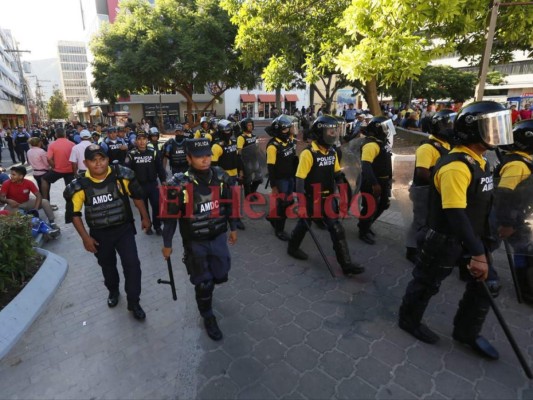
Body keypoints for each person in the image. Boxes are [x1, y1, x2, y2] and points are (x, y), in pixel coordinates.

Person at [398, 101, 513, 360]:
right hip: (446, 239)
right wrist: (477, 254)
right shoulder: (456, 166)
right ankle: (408, 320)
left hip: (473, 238)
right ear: (474, 131)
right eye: (490, 128)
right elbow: (455, 213)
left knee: (488, 284)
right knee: (427, 283)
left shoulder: (480, 160)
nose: (496, 133)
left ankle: (466, 332)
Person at [161, 138, 238, 340]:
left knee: (221, 274)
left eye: (207, 155)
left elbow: (230, 203)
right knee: (204, 284)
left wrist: (234, 227)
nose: (205, 160)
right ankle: (208, 315)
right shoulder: (179, 184)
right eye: (199, 156)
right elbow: (169, 218)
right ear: (188, 158)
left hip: (218, 236)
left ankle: (209, 287)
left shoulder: (220, 176)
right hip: (195, 242)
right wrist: (167, 244)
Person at [63, 144, 151, 320]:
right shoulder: (80, 186)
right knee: (108, 267)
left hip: (123, 229)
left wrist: (145, 217)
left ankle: (134, 302)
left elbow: (137, 196)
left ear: (107, 159)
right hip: (99, 234)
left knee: (132, 265)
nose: (98, 164)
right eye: (93, 160)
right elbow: (74, 214)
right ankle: (113, 291)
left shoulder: (121, 175)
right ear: (86, 163)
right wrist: (85, 238)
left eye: (102, 159)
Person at [287, 115, 364, 276]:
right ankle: (292, 248)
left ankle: (346, 264)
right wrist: (300, 205)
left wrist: (344, 192)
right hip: (311, 199)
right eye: (330, 130)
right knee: (304, 225)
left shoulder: (332, 152)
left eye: (334, 130)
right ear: (320, 132)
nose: (333, 134)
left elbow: (337, 174)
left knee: (337, 229)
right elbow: (299, 181)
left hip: (328, 199)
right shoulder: (308, 154)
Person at [405, 110, 454, 262]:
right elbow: (422, 172)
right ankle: (412, 249)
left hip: (435, 190)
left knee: (431, 221)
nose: (451, 127)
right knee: (420, 221)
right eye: (448, 124)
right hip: (423, 190)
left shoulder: (446, 145)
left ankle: (426, 246)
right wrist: (440, 183)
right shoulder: (427, 147)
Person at [493, 118, 533, 304]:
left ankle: (525, 287)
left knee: (523, 247)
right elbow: (504, 194)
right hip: (505, 216)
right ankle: (524, 291)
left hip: (515, 215)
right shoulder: (518, 164)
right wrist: (507, 224)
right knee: (489, 245)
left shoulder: (525, 161)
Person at [357, 116, 394, 245]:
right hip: (373, 182)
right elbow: (366, 165)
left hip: (383, 181)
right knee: (369, 207)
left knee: (384, 204)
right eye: (385, 127)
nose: (387, 130)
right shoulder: (371, 145)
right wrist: (374, 184)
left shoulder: (382, 142)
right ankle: (363, 230)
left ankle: (367, 224)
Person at [125, 131, 166, 235]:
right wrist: (129, 187)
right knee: (143, 208)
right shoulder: (131, 154)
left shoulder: (153, 152)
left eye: (144, 139)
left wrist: (163, 181)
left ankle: (157, 226)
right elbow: (127, 171)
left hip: (153, 184)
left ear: (147, 140)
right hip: (139, 186)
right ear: (136, 141)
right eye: (139, 139)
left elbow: (160, 168)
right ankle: (148, 226)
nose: (142, 141)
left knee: (157, 206)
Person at [265, 115, 297, 241]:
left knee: (287, 201)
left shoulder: (288, 141)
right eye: (285, 130)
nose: (288, 132)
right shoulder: (273, 146)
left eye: (288, 129)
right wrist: (273, 186)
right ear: (278, 130)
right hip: (280, 179)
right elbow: (270, 167)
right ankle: (279, 230)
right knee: (283, 204)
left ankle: (273, 217)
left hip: (290, 177)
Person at [0, 165, 58, 232]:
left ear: (21, 176)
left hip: (27, 202)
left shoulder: (28, 183)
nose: (11, 176)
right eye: (11, 174)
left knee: (45, 202)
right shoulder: (6, 184)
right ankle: (31, 227)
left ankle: (52, 222)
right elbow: (1, 198)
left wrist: (35, 209)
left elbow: (38, 195)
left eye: (13, 175)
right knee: (13, 213)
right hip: (14, 206)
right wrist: (7, 200)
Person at [211, 119, 245, 230]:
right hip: (222, 178)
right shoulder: (216, 147)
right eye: (226, 130)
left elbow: (238, 159)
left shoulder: (234, 143)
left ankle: (236, 219)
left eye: (230, 130)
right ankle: (222, 220)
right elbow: (213, 165)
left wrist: (241, 172)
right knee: (223, 200)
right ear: (221, 131)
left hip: (234, 175)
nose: (228, 132)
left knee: (235, 199)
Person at [41, 127, 75, 201]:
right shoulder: (72, 144)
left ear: (55, 135)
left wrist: (53, 166)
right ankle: (71, 202)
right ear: (65, 134)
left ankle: (45, 200)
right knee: (70, 187)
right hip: (70, 170)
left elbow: (49, 158)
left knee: (44, 179)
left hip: (58, 170)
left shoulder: (52, 145)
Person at [237, 118, 263, 199]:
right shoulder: (241, 137)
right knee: (247, 181)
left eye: (251, 125)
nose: (250, 127)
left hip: (255, 160)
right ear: (244, 126)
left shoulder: (255, 136)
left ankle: (253, 192)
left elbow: (257, 149)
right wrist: (240, 168)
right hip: (246, 161)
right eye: (248, 125)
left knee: (259, 179)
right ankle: (248, 196)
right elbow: (239, 152)